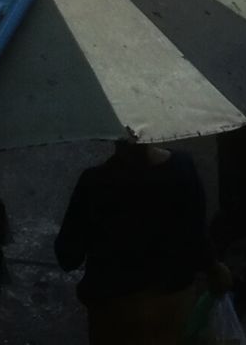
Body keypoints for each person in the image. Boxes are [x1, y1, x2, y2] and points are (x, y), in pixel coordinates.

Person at [55, 139, 213, 344]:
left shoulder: (94, 182)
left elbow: (68, 257)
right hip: (172, 307)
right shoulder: (182, 167)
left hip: (113, 312)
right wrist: (214, 268)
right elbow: (198, 242)